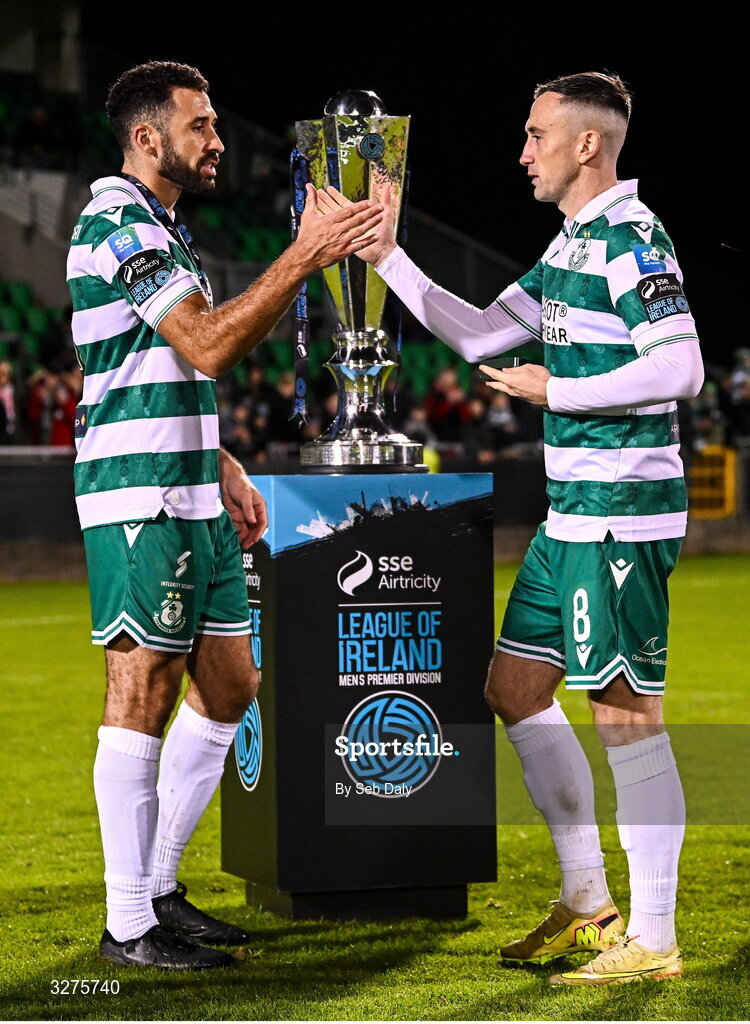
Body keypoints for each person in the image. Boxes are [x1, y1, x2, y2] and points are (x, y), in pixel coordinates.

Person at [317, 71, 703, 986]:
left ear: (587, 146)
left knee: (625, 717)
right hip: (571, 512)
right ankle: (586, 902)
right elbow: (486, 335)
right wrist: (387, 259)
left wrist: (556, 388)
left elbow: (681, 366)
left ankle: (654, 939)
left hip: (620, 512)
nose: (522, 152)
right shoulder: (572, 245)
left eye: (536, 135)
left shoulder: (632, 239)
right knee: (515, 685)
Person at [66, 60, 383, 970]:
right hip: (140, 497)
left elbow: (146, 366)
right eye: (199, 125)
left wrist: (226, 459)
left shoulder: (161, 228)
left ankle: (160, 886)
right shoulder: (116, 219)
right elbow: (204, 346)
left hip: (193, 486)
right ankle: (129, 924)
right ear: (147, 136)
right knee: (142, 691)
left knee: (232, 684)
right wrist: (305, 253)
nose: (216, 140)